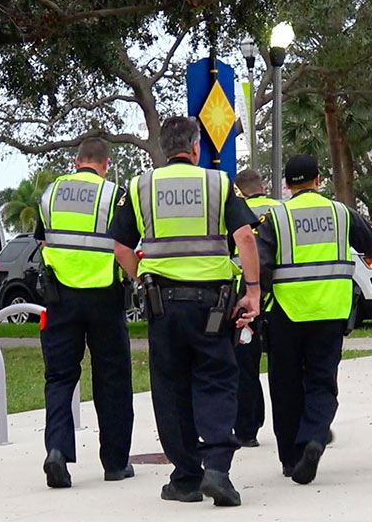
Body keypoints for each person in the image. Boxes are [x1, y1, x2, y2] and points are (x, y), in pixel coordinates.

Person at [109, 117, 260, 507]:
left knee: (171, 387)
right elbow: (244, 236)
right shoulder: (219, 183)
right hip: (213, 305)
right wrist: (254, 291)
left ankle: (187, 478)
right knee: (217, 379)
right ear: (195, 148)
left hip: (163, 304)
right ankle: (218, 470)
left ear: (163, 148)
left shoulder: (140, 186)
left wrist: (141, 280)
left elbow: (121, 248)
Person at [256, 154, 372, 484]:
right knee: (321, 382)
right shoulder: (340, 214)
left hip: (286, 313)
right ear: (318, 179)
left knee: (284, 386)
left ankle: (291, 459)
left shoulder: (277, 217)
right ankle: (314, 437)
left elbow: (260, 265)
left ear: (287, 185)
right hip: (330, 313)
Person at [36, 138, 134, 488]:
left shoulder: (50, 193)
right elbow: (124, 245)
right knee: (113, 379)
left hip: (59, 297)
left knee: (60, 378)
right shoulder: (114, 194)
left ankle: (57, 452)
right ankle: (115, 463)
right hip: (104, 297)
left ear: (76, 161)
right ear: (105, 164)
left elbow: (43, 241)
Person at [231, 169, 281, 448]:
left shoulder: (235, 211)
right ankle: (296, 424)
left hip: (245, 300)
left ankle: (247, 430)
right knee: (284, 366)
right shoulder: (281, 210)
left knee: (245, 367)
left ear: (239, 190)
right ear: (262, 186)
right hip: (281, 298)